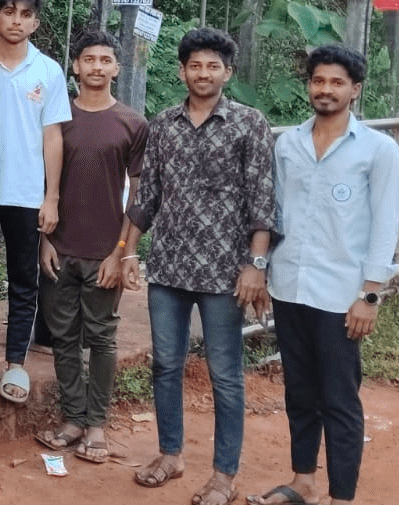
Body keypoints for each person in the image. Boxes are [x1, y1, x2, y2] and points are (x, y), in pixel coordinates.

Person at [105, 27, 275, 505]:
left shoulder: (249, 124)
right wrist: (128, 250)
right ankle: (170, 454)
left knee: (225, 374)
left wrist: (256, 265)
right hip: (168, 269)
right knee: (166, 364)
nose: (203, 73)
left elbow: (263, 200)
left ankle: (224, 476)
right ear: (182, 71)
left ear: (228, 73)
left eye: (212, 66)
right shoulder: (163, 124)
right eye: (195, 66)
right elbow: (148, 195)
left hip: (225, 273)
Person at [247, 44, 399, 505]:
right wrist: (261, 269)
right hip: (290, 286)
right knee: (299, 392)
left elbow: (384, 224)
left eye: (337, 82)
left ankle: (342, 496)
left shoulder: (377, 150)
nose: (326, 90)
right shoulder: (288, 144)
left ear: (355, 90)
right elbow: (272, 212)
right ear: (309, 86)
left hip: (342, 295)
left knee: (339, 399)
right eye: (318, 81)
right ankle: (303, 482)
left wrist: (370, 295)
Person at [34, 29, 147, 465]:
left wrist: (122, 251)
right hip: (59, 248)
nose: (96, 67)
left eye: (105, 60)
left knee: (101, 338)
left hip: (105, 252)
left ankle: (97, 423)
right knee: (63, 337)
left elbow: (139, 194)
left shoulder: (132, 124)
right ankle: (72, 419)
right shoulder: (56, 118)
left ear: (116, 67)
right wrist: (44, 239)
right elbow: (41, 185)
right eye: (88, 59)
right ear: (75, 66)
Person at [0, 0, 70, 405]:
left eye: (25, 14)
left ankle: (15, 362)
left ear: (36, 23)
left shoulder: (47, 70)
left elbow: (53, 137)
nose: (16, 21)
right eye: (8, 12)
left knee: (23, 279)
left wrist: (52, 197)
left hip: (26, 191)